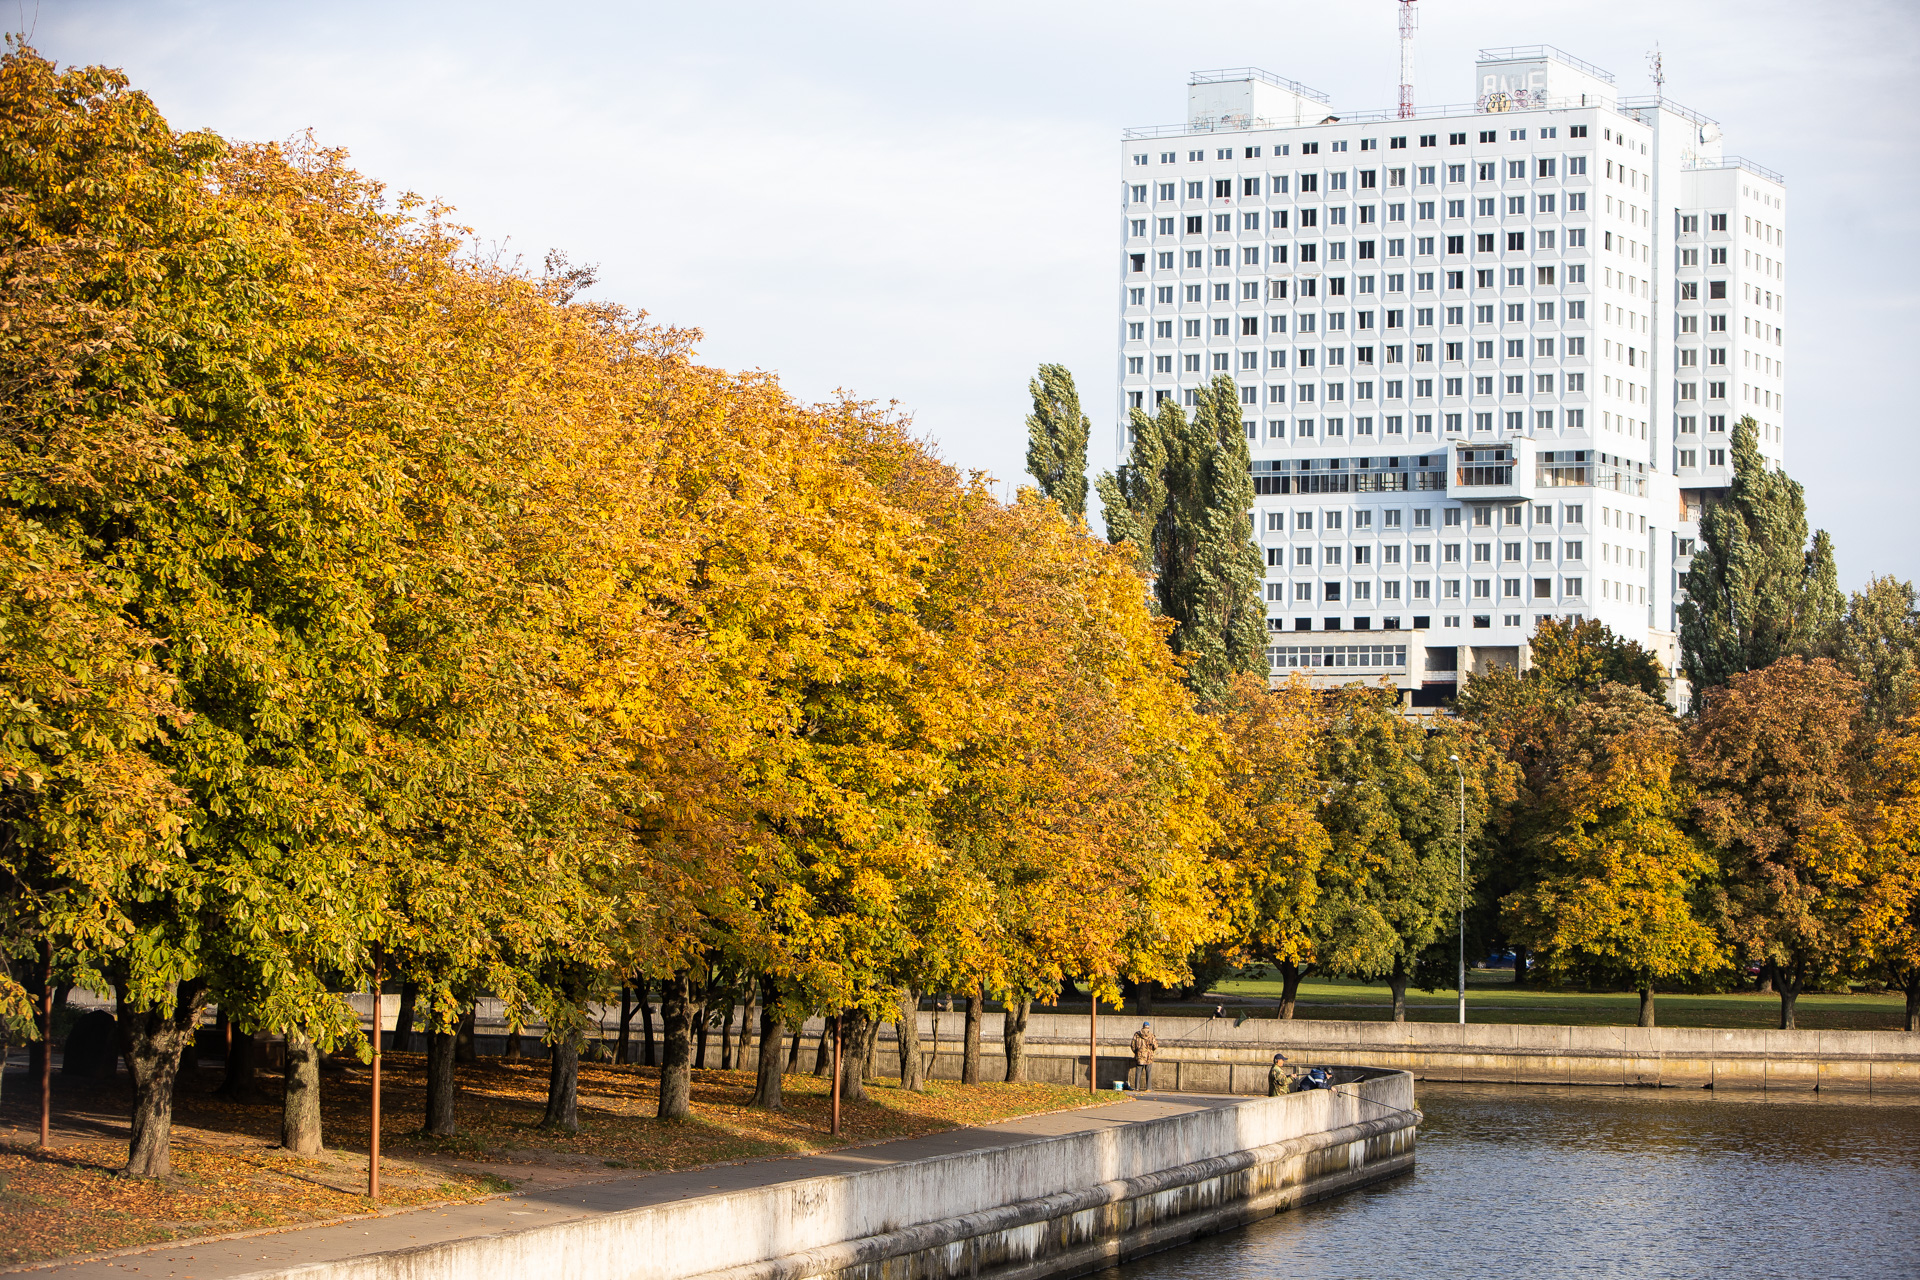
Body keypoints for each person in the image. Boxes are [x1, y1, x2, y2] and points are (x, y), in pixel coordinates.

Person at [1130, 1021, 1158, 1092]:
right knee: (1148, 1072)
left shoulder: (1137, 1034)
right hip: (1149, 1057)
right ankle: (1148, 1088)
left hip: (1140, 1056)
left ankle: (1137, 1088)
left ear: (1143, 1026)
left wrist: (1136, 1052)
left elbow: (1133, 1045)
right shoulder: (1151, 1035)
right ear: (1148, 1027)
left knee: (1138, 1072)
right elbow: (1155, 1046)